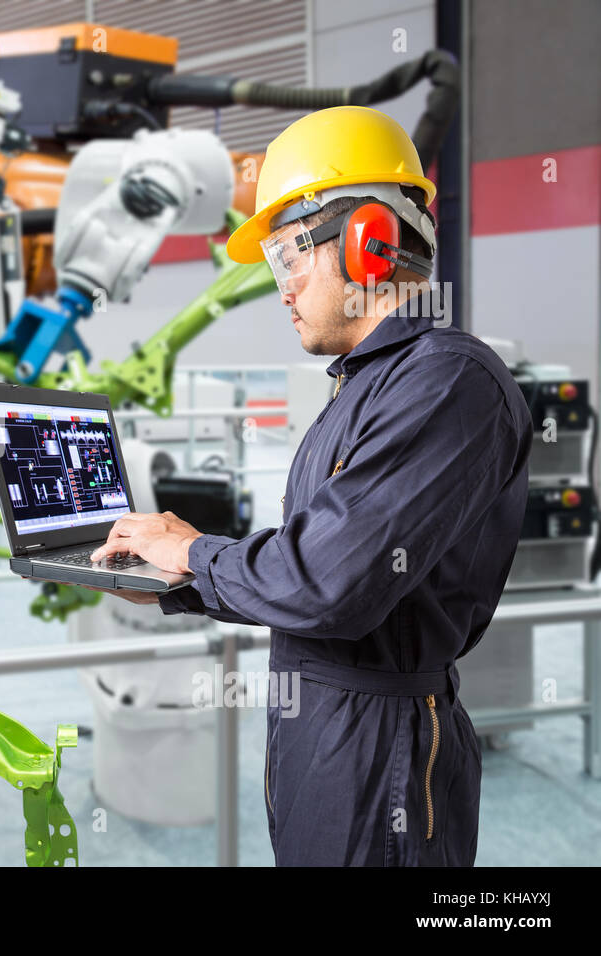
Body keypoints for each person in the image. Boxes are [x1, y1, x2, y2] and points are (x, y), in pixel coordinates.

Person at [88, 106, 531, 865]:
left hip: (383, 754)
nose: (283, 289)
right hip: (328, 730)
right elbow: (318, 556)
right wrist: (176, 586)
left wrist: (194, 554)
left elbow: (328, 583)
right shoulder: (368, 384)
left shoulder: (446, 382)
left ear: (368, 241)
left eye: (289, 256)